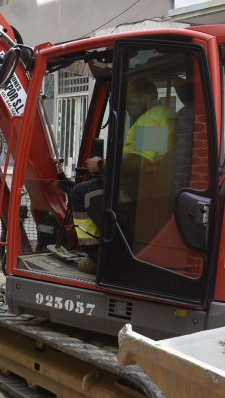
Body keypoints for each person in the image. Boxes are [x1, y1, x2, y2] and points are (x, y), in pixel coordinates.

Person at [71, 77, 174, 273]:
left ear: (146, 97)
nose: (126, 108)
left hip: (138, 186)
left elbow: (140, 160)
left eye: (130, 101)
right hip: (148, 183)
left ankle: (99, 256)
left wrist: (100, 164)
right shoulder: (165, 114)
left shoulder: (152, 119)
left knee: (80, 192)